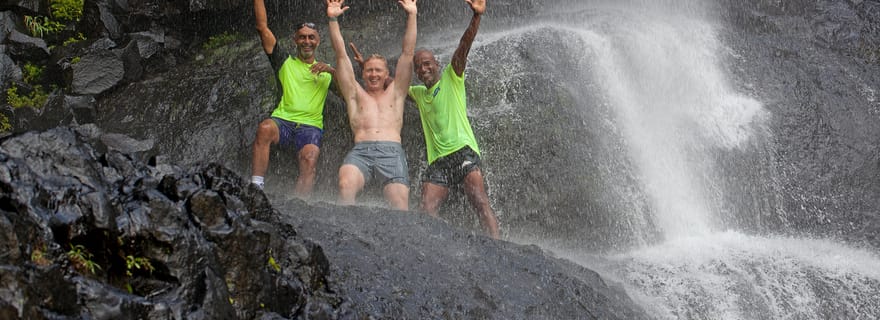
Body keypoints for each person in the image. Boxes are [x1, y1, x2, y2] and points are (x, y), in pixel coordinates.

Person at [408, 0, 500, 239]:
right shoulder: (417, 94)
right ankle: (446, 247)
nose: (423, 69)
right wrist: (366, 66)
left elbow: (464, 46)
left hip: (463, 152)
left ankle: (499, 247)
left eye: (427, 63)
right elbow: (389, 86)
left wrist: (476, 17)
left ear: (437, 63)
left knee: (480, 201)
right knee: (426, 210)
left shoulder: (452, 77)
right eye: (418, 67)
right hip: (438, 160)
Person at [325, 0, 417, 210]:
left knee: (400, 203)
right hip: (361, 151)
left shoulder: (396, 93)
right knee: (345, 183)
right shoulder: (355, 94)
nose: (373, 74)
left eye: (378, 70)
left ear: (387, 74)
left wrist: (412, 15)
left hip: (392, 151)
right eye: (369, 70)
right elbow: (341, 56)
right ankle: (346, 230)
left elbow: (408, 54)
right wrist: (332, 19)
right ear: (363, 74)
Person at [250, 0, 335, 198]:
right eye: (302, 37)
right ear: (295, 40)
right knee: (264, 128)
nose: (307, 41)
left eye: (311, 37)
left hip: (310, 126)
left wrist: (332, 70)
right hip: (283, 122)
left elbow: (350, 90)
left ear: (318, 41)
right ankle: (256, 187)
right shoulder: (284, 61)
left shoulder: (327, 71)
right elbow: (262, 28)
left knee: (310, 156)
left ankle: (300, 203)